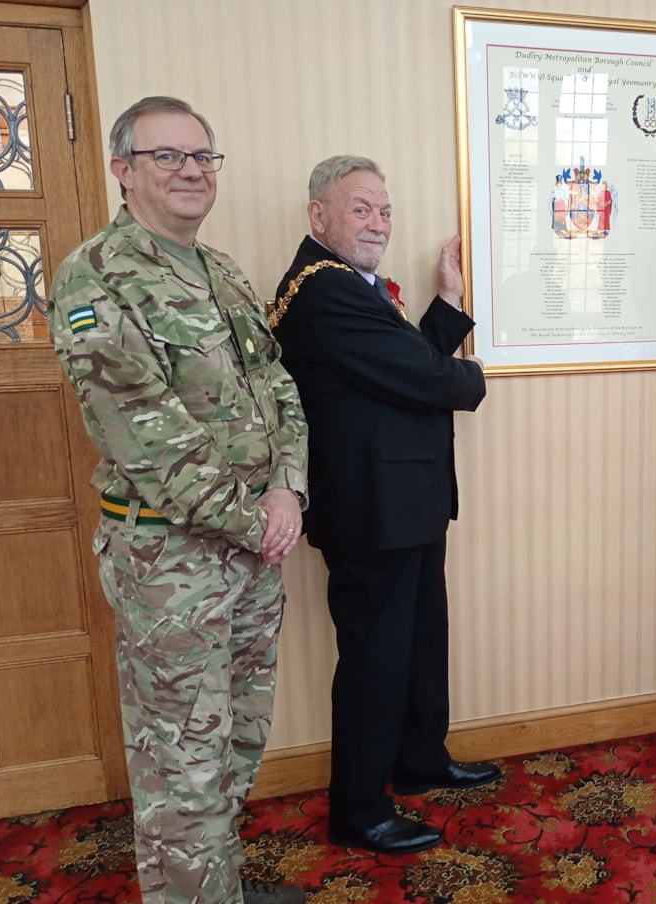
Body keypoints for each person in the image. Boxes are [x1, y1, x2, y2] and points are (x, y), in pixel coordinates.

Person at [46, 96, 308, 904]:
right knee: (181, 762)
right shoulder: (96, 276)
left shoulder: (221, 271)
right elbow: (145, 434)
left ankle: (216, 887)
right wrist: (256, 520)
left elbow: (278, 385)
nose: (191, 170)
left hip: (253, 547)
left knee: (235, 742)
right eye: (167, 156)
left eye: (202, 156)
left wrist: (288, 488)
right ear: (123, 171)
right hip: (171, 559)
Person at [270, 155, 499, 857]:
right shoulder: (323, 289)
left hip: (404, 499)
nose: (378, 223)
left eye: (385, 210)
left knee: (421, 638)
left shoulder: (350, 284)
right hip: (373, 509)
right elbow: (425, 376)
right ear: (319, 215)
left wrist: (448, 302)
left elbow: (399, 365)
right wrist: (469, 375)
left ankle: (420, 757)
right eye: (361, 208)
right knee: (376, 657)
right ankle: (360, 809)